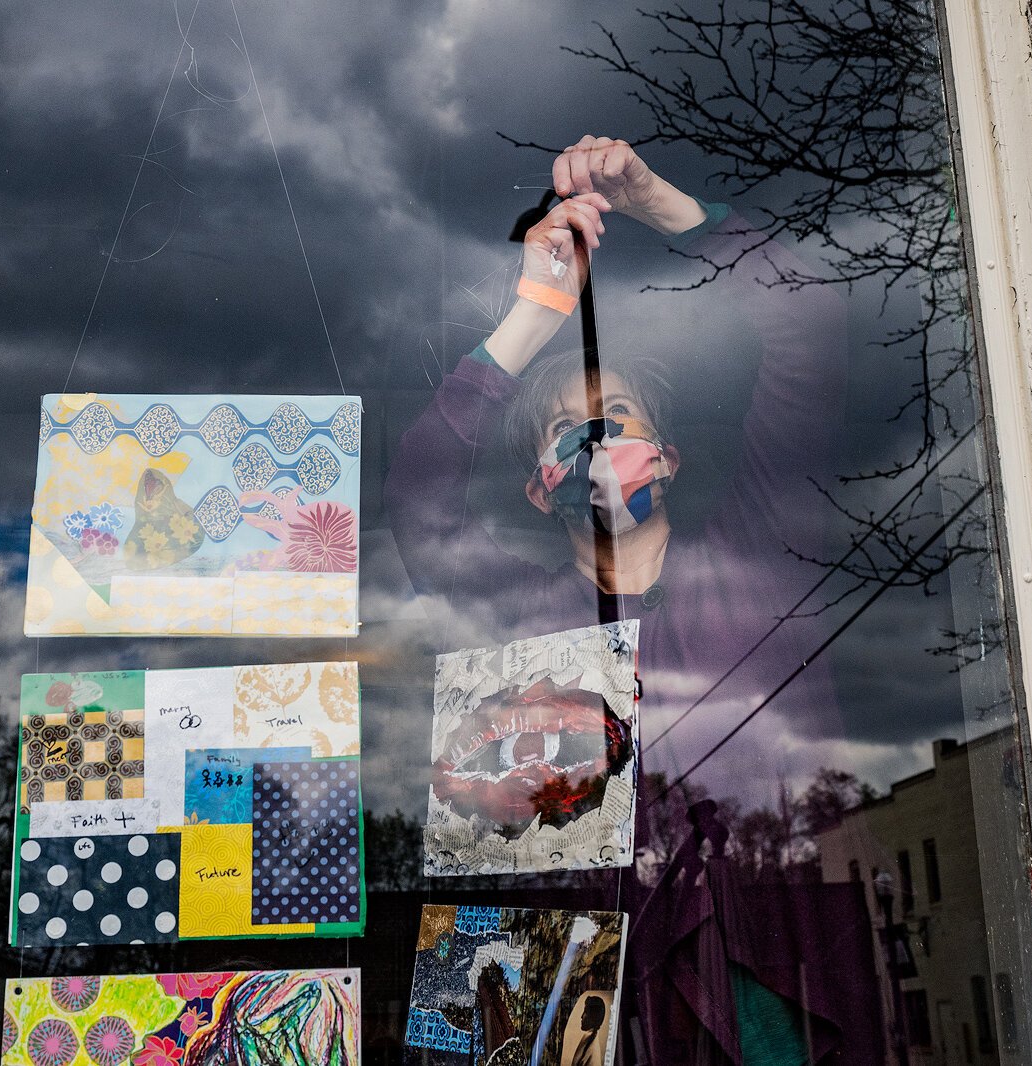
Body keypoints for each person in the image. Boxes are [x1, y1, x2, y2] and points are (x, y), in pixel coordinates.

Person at [386, 135, 880, 1061]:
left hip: (765, 963)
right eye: (567, 433)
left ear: (669, 460)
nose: (592, 443)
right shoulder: (516, 615)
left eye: (617, 424)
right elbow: (417, 495)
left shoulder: (760, 555)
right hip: (575, 983)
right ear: (540, 486)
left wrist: (653, 200)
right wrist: (535, 311)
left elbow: (808, 327)